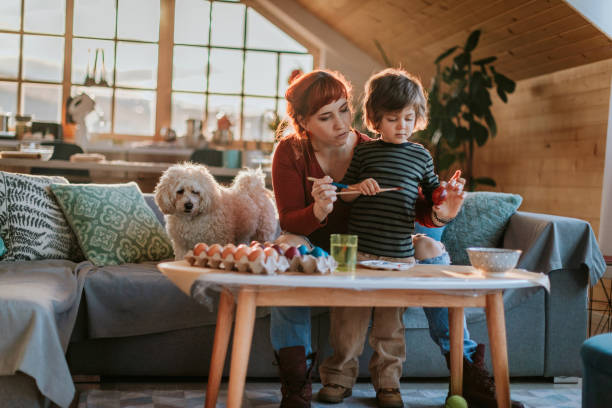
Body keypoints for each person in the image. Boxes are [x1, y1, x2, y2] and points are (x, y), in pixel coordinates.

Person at [270, 69, 520, 408]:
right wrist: (318, 209)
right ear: (302, 121)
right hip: (325, 247)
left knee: (431, 246)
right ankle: (296, 384)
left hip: (374, 246)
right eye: (326, 117)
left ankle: (468, 374)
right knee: (287, 246)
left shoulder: (374, 148)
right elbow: (288, 219)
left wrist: (441, 213)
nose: (341, 124)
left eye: (344, 109)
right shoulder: (291, 153)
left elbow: (414, 206)